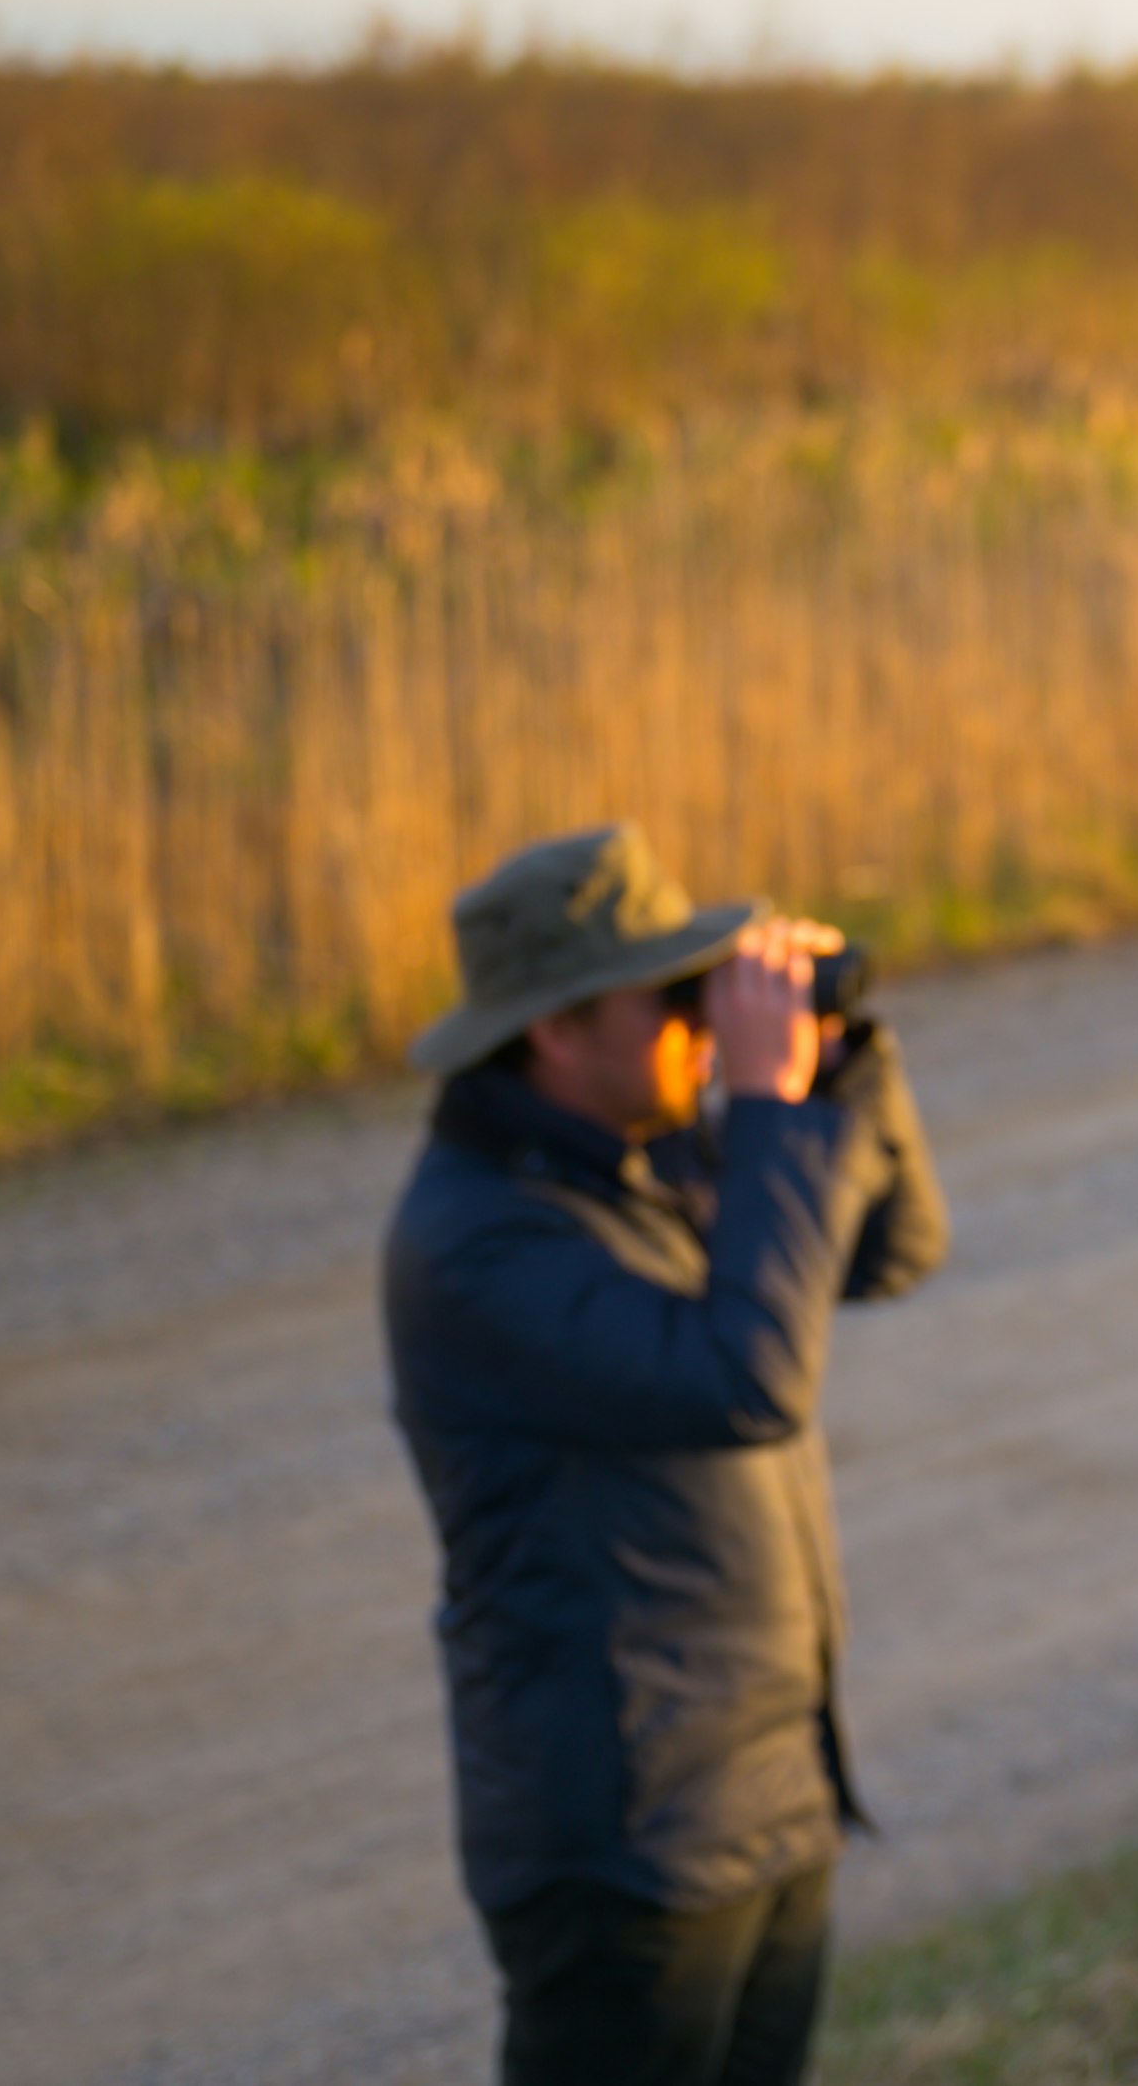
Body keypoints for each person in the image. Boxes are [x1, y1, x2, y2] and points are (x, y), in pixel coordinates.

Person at [384, 823, 948, 2086]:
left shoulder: (647, 1157)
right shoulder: (479, 1239)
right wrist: (762, 1109)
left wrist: (845, 1063)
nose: (706, 1028)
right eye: (674, 1001)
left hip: (767, 1793)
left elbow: (890, 1248)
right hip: (624, 1841)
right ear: (557, 1028)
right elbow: (744, 1377)